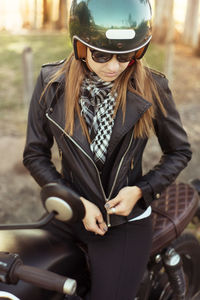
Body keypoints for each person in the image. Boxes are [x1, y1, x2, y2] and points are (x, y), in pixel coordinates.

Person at [23, 0, 192, 299]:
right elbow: (35, 155)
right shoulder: (50, 84)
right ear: (79, 46)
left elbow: (179, 152)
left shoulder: (153, 86)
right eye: (101, 54)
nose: (114, 66)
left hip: (124, 222)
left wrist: (140, 191)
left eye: (127, 55)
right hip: (73, 213)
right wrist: (76, 203)